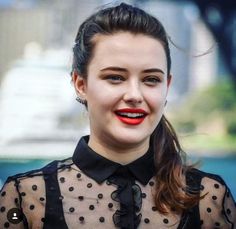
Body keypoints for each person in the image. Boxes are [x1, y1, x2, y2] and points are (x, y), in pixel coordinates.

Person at [0, 2, 235, 229]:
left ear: (167, 86)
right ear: (80, 84)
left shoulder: (208, 197)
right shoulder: (24, 196)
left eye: (151, 79)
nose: (135, 95)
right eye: (115, 77)